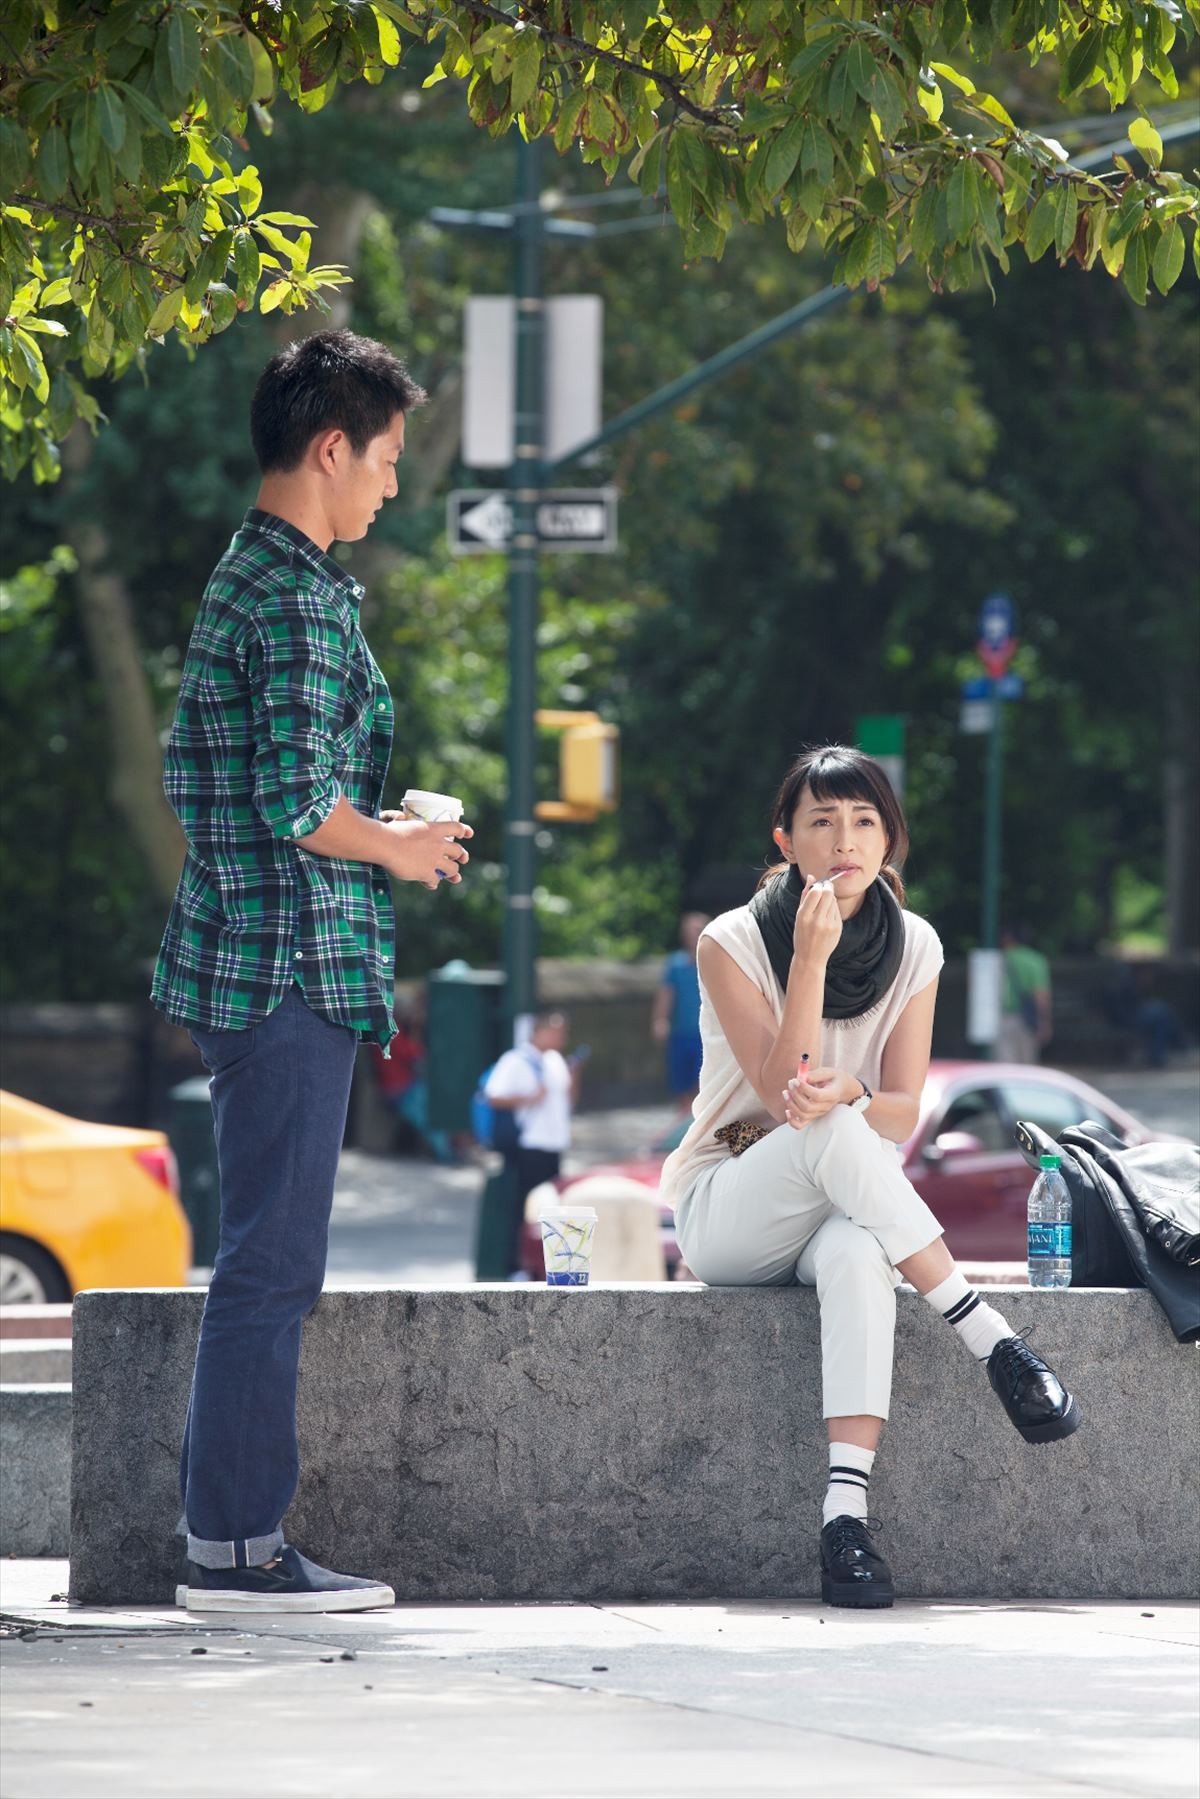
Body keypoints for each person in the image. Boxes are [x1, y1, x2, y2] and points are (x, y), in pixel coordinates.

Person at [151, 330, 473, 1613]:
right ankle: (233, 1547)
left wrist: (381, 830)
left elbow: (260, 784)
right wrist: (395, 844)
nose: (393, 485)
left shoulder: (261, 578)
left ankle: (229, 1538)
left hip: (259, 961)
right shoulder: (291, 595)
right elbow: (294, 798)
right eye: (387, 459)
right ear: (331, 448)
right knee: (271, 1264)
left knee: (263, 1258)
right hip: (284, 968)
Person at [659, 746, 1080, 1610]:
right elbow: (782, 1091)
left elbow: (901, 1109)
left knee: (858, 1250)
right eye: (821, 821)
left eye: (863, 821)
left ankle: (844, 1518)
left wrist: (852, 1090)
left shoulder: (915, 944)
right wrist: (809, 960)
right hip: (731, 1193)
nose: (843, 839)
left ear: (891, 841)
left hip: (833, 1202)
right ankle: (990, 1335)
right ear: (786, 841)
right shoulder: (732, 942)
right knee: (821, 1120)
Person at [484, 1011, 580, 1279]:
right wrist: (529, 1098)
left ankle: (547, 1262)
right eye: (556, 1031)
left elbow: (568, 1100)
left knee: (552, 1206)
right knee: (524, 1206)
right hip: (529, 1144)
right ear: (538, 1031)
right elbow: (493, 1096)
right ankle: (516, 1264)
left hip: (554, 1143)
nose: (561, 1038)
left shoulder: (555, 1061)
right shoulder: (516, 1060)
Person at [652, 912, 711, 1113]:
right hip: (681, 1032)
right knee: (680, 1082)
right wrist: (660, 1020)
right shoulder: (675, 964)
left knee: (702, 1082)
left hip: (706, 1035)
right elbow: (666, 994)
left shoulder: (714, 961)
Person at [998, 924, 1052, 1064]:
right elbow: (1040, 995)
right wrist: (1044, 1022)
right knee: (1027, 1065)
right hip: (1028, 1018)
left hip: (1003, 1018)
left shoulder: (1001, 958)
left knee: (1005, 1065)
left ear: (1008, 938)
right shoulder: (1035, 960)